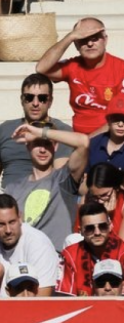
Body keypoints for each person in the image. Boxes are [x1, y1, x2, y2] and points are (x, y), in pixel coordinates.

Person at [35, 17, 124, 135]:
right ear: (76, 45)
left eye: (95, 38)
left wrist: (88, 141)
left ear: (105, 40)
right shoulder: (72, 66)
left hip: (111, 136)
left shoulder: (122, 69)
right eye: (83, 39)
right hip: (78, 136)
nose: (89, 44)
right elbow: (41, 68)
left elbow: (123, 116)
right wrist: (70, 37)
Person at [4, 122, 89, 250]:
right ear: (28, 146)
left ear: (56, 146)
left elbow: (84, 142)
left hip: (59, 255)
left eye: (48, 144)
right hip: (25, 257)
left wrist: (40, 132)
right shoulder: (12, 189)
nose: (42, 150)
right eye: (37, 144)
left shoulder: (64, 178)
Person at [0, 74, 73, 189]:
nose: (35, 103)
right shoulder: (5, 128)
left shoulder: (61, 131)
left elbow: (60, 177)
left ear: (50, 101)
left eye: (42, 98)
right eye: (29, 97)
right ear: (22, 100)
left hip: (44, 193)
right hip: (7, 195)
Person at [57, 201, 124, 296]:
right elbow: (65, 300)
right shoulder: (70, 255)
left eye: (102, 226)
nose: (97, 233)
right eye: (90, 228)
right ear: (80, 230)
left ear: (110, 226)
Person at [0, 194, 59, 298]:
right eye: (1, 225)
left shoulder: (38, 244)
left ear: (20, 218)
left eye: (12, 222)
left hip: (30, 306)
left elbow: (43, 298)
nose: (8, 230)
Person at [84, 162, 124, 246]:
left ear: (116, 187)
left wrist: (106, 218)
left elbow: (123, 247)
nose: (100, 201)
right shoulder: (90, 199)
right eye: (95, 197)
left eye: (104, 195)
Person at [87, 93, 124, 176]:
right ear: (108, 120)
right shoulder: (94, 143)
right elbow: (85, 175)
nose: (120, 124)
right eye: (116, 119)